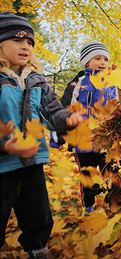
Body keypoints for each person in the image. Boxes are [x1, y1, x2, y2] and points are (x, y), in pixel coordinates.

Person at [0, 12, 84, 258]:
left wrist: (67, 120)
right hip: (2, 167)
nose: (25, 46)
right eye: (17, 40)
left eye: (29, 42)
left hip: (32, 162)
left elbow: (53, 112)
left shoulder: (37, 80)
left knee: (38, 216)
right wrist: (7, 145)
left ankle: (38, 251)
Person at [60, 40, 117, 214]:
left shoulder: (110, 82)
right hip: (83, 138)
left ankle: (114, 201)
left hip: (105, 135)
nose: (102, 62)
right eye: (97, 58)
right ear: (86, 61)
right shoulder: (79, 82)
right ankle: (89, 206)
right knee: (87, 174)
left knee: (112, 170)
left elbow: (117, 104)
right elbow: (66, 107)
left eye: (105, 59)